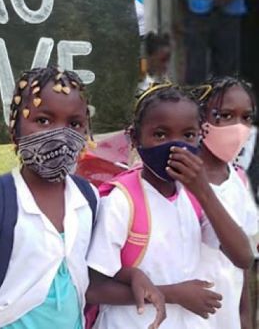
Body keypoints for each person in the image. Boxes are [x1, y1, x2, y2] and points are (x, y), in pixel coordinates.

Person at [0, 67, 163, 329]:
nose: (60, 135)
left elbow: (92, 273)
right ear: (15, 130)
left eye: (74, 124)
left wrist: (133, 275)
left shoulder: (88, 198)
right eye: (44, 121)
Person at [87, 83, 254, 328]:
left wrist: (204, 191)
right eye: (161, 135)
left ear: (200, 136)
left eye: (187, 135)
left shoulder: (194, 196)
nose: (175, 146)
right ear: (135, 137)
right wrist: (173, 293)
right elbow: (94, 287)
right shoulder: (122, 201)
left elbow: (243, 257)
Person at [195, 76, 258, 329]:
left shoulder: (238, 181)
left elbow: (244, 267)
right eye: (225, 115)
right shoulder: (177, 180)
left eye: (247, 117)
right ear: (201, 118)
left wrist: (247, 321)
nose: (239, 127)